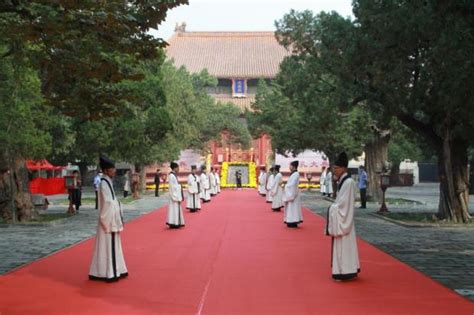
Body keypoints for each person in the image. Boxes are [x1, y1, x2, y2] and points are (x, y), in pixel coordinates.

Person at [89, 156, 128, 282]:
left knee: (112, 245)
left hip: (111, 218)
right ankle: (108, 272)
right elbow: (107, 203)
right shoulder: (103, 183)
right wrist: (116, 204)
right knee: (107, 245)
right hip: (108, 220)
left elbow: (111, 201)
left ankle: (115, 269)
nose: (114, 171)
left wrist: (117, 204)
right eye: (112, 169)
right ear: (106, 171)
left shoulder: (108, 182)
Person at [326, 152, 360, 281]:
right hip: (342, 219)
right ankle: (344, 269)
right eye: (334, 168)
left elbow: (344, 205)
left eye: (336, 168)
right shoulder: (343, 181)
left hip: (344, 219)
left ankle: (345, 270)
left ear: (344, 168)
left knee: (344, 246)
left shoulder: (348, 182)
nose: (334, 170)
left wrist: (332, 209)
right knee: (343, 247)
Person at [283, 161, 303, 228]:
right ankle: (291, 220)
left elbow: (293, 185)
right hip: (292, 193)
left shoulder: (296, 174)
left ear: (293, 166)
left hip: (293, 194)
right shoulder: (294, 174)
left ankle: (293, 221)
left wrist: (286, 186)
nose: (289, 167)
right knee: (291, 208)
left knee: (293, 208)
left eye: (290, 166)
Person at [167, 162, 185, 228]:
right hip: (174, 195)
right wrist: (175, 196)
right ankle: (173, 223)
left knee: (175, 209)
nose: (179, 169)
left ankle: (176, 222)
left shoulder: (173, 175)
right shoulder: (172, 176)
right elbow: (172, 187)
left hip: (176, 194)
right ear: (175, 168)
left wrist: (178, 186)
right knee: (174, 209)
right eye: (178, 168)